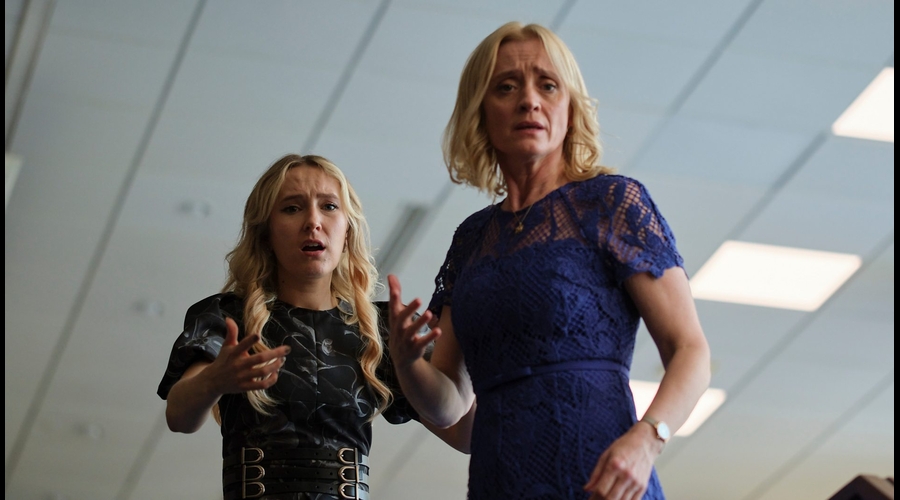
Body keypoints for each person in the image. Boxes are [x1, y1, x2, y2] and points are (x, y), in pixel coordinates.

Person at [388, 22, 711, 500]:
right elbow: (451, 408)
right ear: (481, 112)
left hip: (602, 482)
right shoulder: (472, 239)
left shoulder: (611, 204)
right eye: (506, 87)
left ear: (570, 106)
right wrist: (406, 361)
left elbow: (691, 351)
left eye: (547, 84)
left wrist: (649, 439)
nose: (529, 101)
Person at [157, 154, 468, 500]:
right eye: (292, 208)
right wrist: (215, 379)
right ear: (266, 232)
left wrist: (472, 331)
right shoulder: (228, 317)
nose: (313, 222)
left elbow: (466, 436)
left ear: (347, 228)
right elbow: (178, 416)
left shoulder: (380, 331)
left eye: (330, 207)